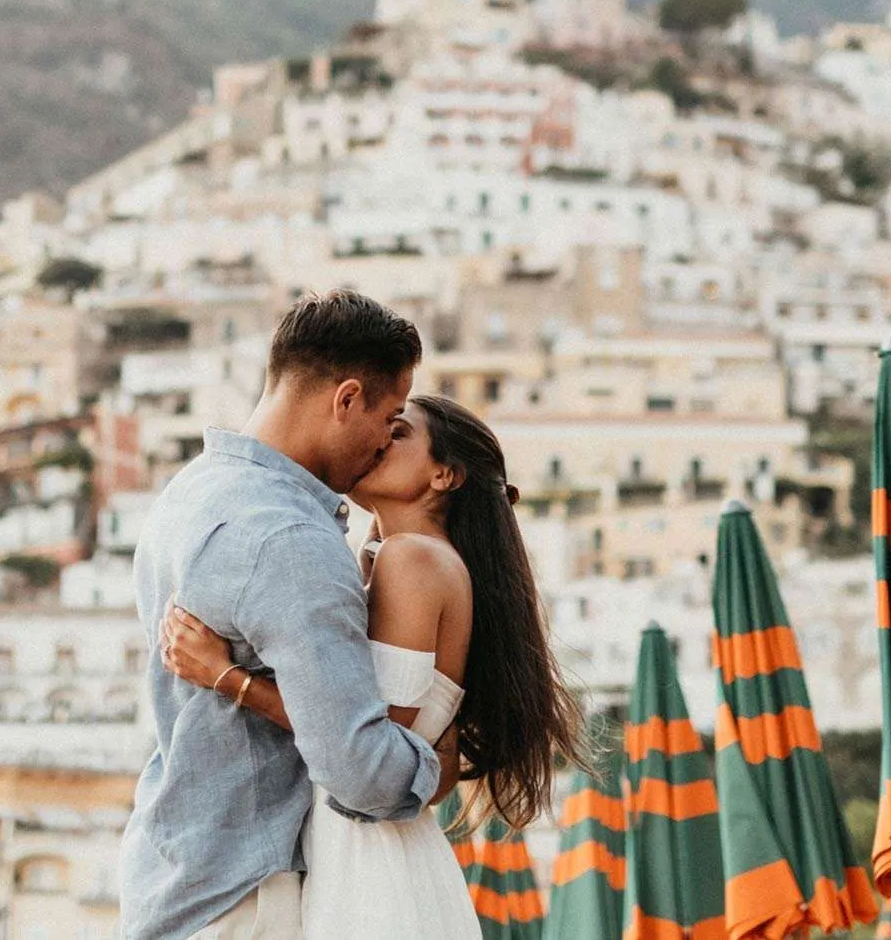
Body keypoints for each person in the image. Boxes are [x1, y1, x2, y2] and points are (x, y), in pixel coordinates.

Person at [161, 393, 585, 939]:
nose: (381, 439)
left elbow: (368, 738)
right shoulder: (409, 558)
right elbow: (436, 758)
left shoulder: (413, 560)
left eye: (400, 432)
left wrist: (225, 677)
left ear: (444, 476)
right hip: (384, 846)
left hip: (366, 857)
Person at [121, 291, 447, 940]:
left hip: (170, 872)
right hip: (249, 896)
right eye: (389, 416)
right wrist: (437, 762)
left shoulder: (189, 490)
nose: (387, 440)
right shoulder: (290, 542)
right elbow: (361, 773)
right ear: (346, 398)